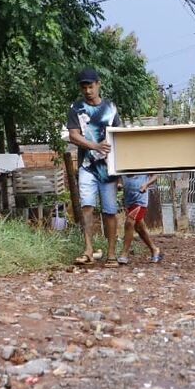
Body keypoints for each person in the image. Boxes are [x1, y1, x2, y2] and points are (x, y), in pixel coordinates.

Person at [67, 68, 122, 267]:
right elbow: (74, 135)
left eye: (91, 86)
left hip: (108, 169)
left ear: (98, 84)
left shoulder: (111, 108)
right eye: (84, 87)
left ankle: (111, 254)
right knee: (87, 207)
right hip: (86, 166)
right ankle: (88, 249)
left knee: (109, 210)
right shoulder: (76, 108)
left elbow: (119, 136)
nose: (88, 91)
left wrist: (121, 170)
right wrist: (95, 146)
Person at [118, 174, 162, 264]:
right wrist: (119, 183)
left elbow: (156, 174)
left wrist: (146, 184)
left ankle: (124, 254)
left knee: (129, 222)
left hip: (140, 199)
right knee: (139, 227)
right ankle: (154, 249)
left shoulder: (141, 162)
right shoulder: (123, 162)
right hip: (129, 200)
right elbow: (118, 175)